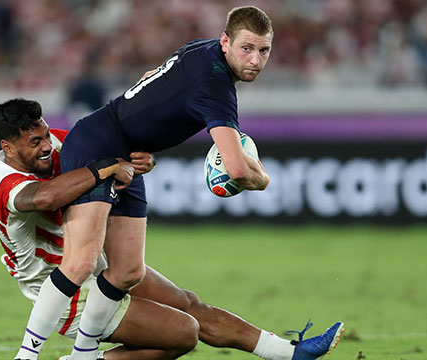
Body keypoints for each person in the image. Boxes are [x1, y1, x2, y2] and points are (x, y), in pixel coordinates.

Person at [27, 5, 344, 360]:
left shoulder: (200, 47)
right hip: (96, 145)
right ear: (226, 41)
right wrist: (264, 178)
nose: (255, 59)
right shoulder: (216, 88)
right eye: (247, 48)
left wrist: (141, 141)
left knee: (127, 271)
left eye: (264, 50)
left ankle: (83, 356)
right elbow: (238, 170)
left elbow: (152, 80)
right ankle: (26, 355)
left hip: (125, 153)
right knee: (81, 262)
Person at [0, 98, 343, 360]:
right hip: (63, 291)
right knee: (183, 333)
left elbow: (113, 152)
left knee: (189, 304)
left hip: (93, 260)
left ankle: (289, 352)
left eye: (46, 134)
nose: (48, 145)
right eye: (35, 142)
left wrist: (141, 161)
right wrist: (107, 168)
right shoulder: (2, 182)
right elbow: (47, 197)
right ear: (8, 147)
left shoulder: (57, 145)